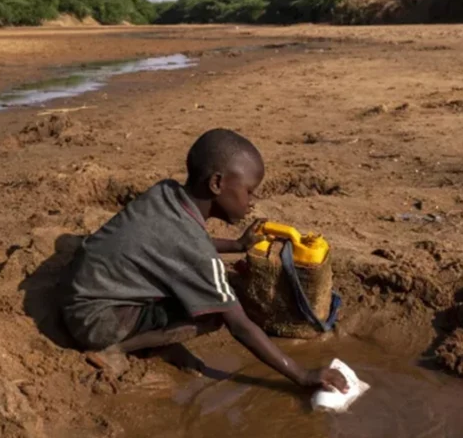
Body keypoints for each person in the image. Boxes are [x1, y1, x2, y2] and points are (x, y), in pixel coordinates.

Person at [58, 128, 348, 394]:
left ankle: (151, 340)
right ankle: (118, 347)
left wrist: (235, 245)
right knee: (212, 313)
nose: (252, 201)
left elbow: (173, 244)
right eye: (248, 191)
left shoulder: (166, 192)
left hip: (81, 292)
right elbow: (239, 325)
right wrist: (302, 374)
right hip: (95, 322)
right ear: (217, 183)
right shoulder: (195, 249)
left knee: (201, 285)